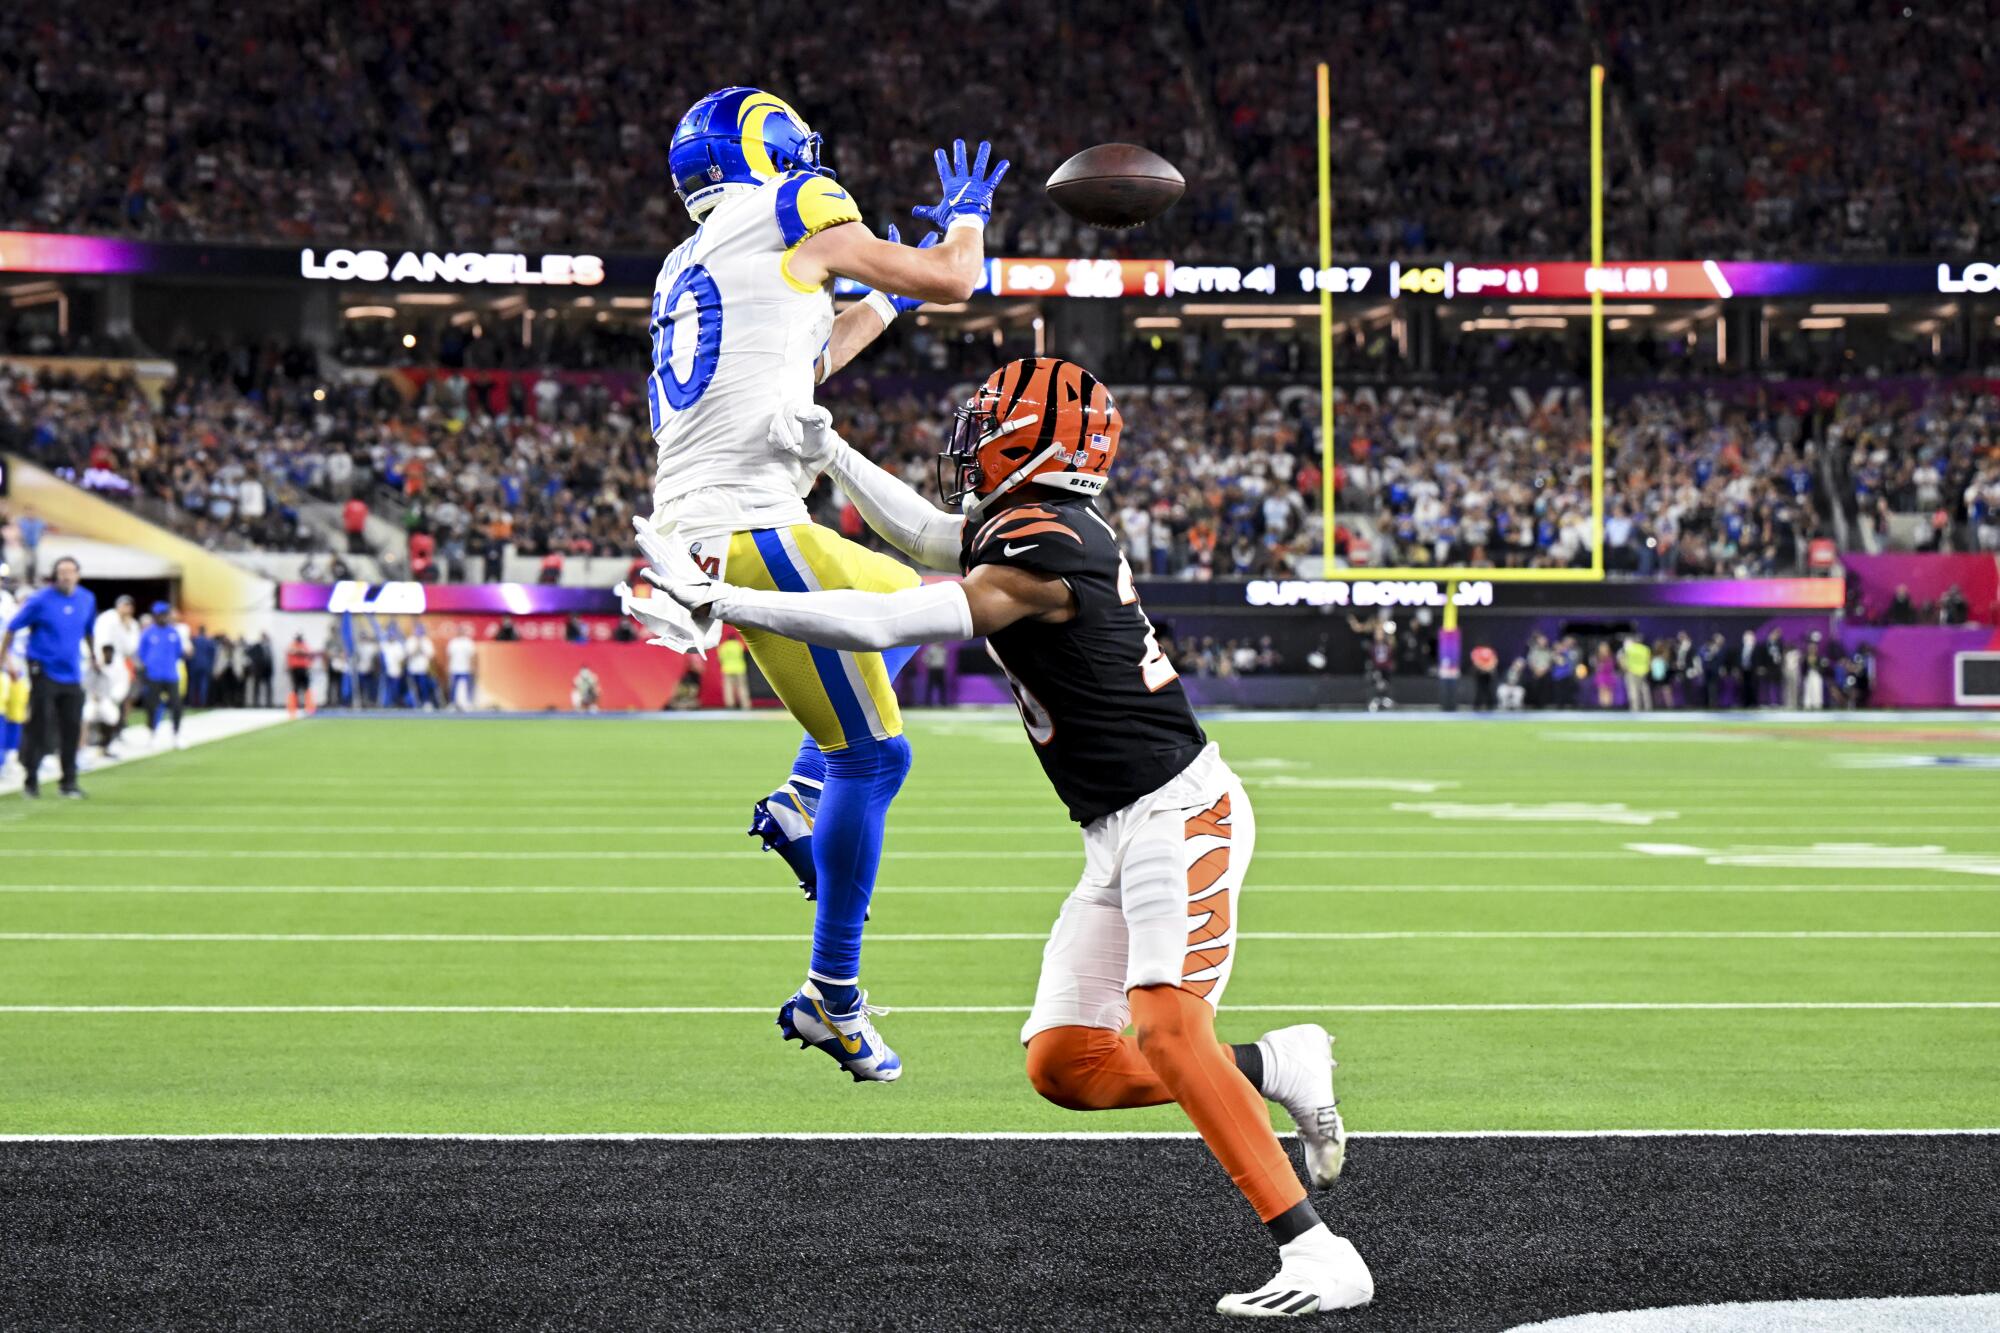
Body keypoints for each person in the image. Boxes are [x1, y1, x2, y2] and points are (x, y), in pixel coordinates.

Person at [636, 367, 1372, 1319]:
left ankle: (1318, 1251)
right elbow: (929, 537)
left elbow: (895, 617)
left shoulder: (1048, 546)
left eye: (991, 428)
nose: (969, 443)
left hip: (1178, 813)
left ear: (1042, 443)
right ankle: (1277, 1066)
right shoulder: (1033, 524)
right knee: (1067, 1064)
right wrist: (836, 456)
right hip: (1116, 825)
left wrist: (728, 602)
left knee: (1164, 1025)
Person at [623, 88, 1006, 1078]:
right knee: (875, 761)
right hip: (752, 525)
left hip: (717, 522)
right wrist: (963, 228)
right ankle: (830, 997)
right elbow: (960, 279)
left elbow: (802, 364)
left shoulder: (691, 257)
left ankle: (796, 801)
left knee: (912, 601)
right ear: (773, 148)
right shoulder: (797, 200)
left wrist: (885, 298)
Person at [1, 555, 97, 797]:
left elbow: (88, 631)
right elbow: (13, 626)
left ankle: (69, 782)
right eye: (61, 572)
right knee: (40, 725)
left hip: (72, 672)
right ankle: (30, 780)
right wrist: (3, 656)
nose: (66, 576)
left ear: (78, 574)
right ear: (56, 575)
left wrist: (94, 656)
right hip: (43, 669)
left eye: (70, 571)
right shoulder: (41, 600)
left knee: (71, 727)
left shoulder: (87, 598)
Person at [135, 604, 187, 749]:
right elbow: (141, 653)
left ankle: (176, 734)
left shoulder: (173, 632)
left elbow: (178, 652)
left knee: (176, 705)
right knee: (152, 705)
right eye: (160, 614)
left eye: (165, 614)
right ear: (155, 615)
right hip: (153, 675)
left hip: (171, 674)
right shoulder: (148, 633)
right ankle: (152, 733)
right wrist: (148, 666)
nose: (163, 617)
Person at [84, 643, 130, 756]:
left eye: (110, 653)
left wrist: (112, 697)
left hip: (106, 698)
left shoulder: (117, 667)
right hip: (91, 699)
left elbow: (122, 685)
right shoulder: (92, 666)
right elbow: (85, 684)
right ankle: (83, 747)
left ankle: (107, 745)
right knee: (84, 716)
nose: (107, 655)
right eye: (105, 653)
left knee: (113, 715)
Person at [717, 627, 751, 710]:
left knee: (728, 688)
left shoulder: (723, 647)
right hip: (739, 668)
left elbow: (720, 659)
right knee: (742, 687)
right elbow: (745, 654)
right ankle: (745, 704)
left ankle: (730, 704)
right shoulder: (739, 645)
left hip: (727, 669)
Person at [284, 634, 315, 717]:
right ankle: (292, 709)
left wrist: (299, 652)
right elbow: (290, 653)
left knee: (306, 689)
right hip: (294, 670)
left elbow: (307, 653)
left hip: (303, 669)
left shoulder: (304, 645)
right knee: (294, 689)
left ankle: (309, 708)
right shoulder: (292, 645)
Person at [407, 629, 438, 710]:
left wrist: (422, 648)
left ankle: (426, 702)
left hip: (423, 669)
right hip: (413, 669)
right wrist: (416, 647)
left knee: (424, 686)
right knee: (414, 687)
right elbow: (408, 654)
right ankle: (415, 703)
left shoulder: (426, 641)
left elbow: (431, 655)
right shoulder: (410, 641)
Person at [446, 631, 476, 710]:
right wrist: (448, 666)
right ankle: (453, 703)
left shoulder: (468, 642)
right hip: (454, 668)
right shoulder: (453, 642)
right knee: (453, 686)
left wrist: (472, 666)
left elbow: (472, 655)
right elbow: (449, 655)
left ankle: (467, 703)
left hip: (465, 668)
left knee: (467, 686)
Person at [921, 640, 950, 706]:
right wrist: (929, 664)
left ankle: (943, 702)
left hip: (941, 669)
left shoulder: (943, 649)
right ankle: (928, 703)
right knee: (930, 686)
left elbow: (945, 659)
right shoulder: (931, 649)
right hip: (933, 669)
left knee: (942, 687)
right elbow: (925, 658)